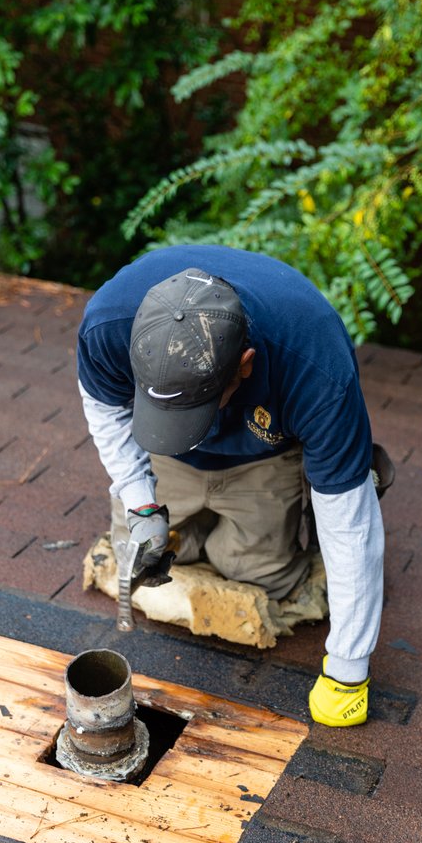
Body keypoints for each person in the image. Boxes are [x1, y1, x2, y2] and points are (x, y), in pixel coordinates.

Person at [77, 245, 391, 727]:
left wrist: (348, 670)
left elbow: (350, 528)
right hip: (168, 449)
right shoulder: (110, 324)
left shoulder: (315, 367)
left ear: (245, 364)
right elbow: (106, 410)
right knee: (141, 560)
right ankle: (187, 509)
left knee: (261, 576)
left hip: (263, 450)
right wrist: (141, 503)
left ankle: (351, 466)